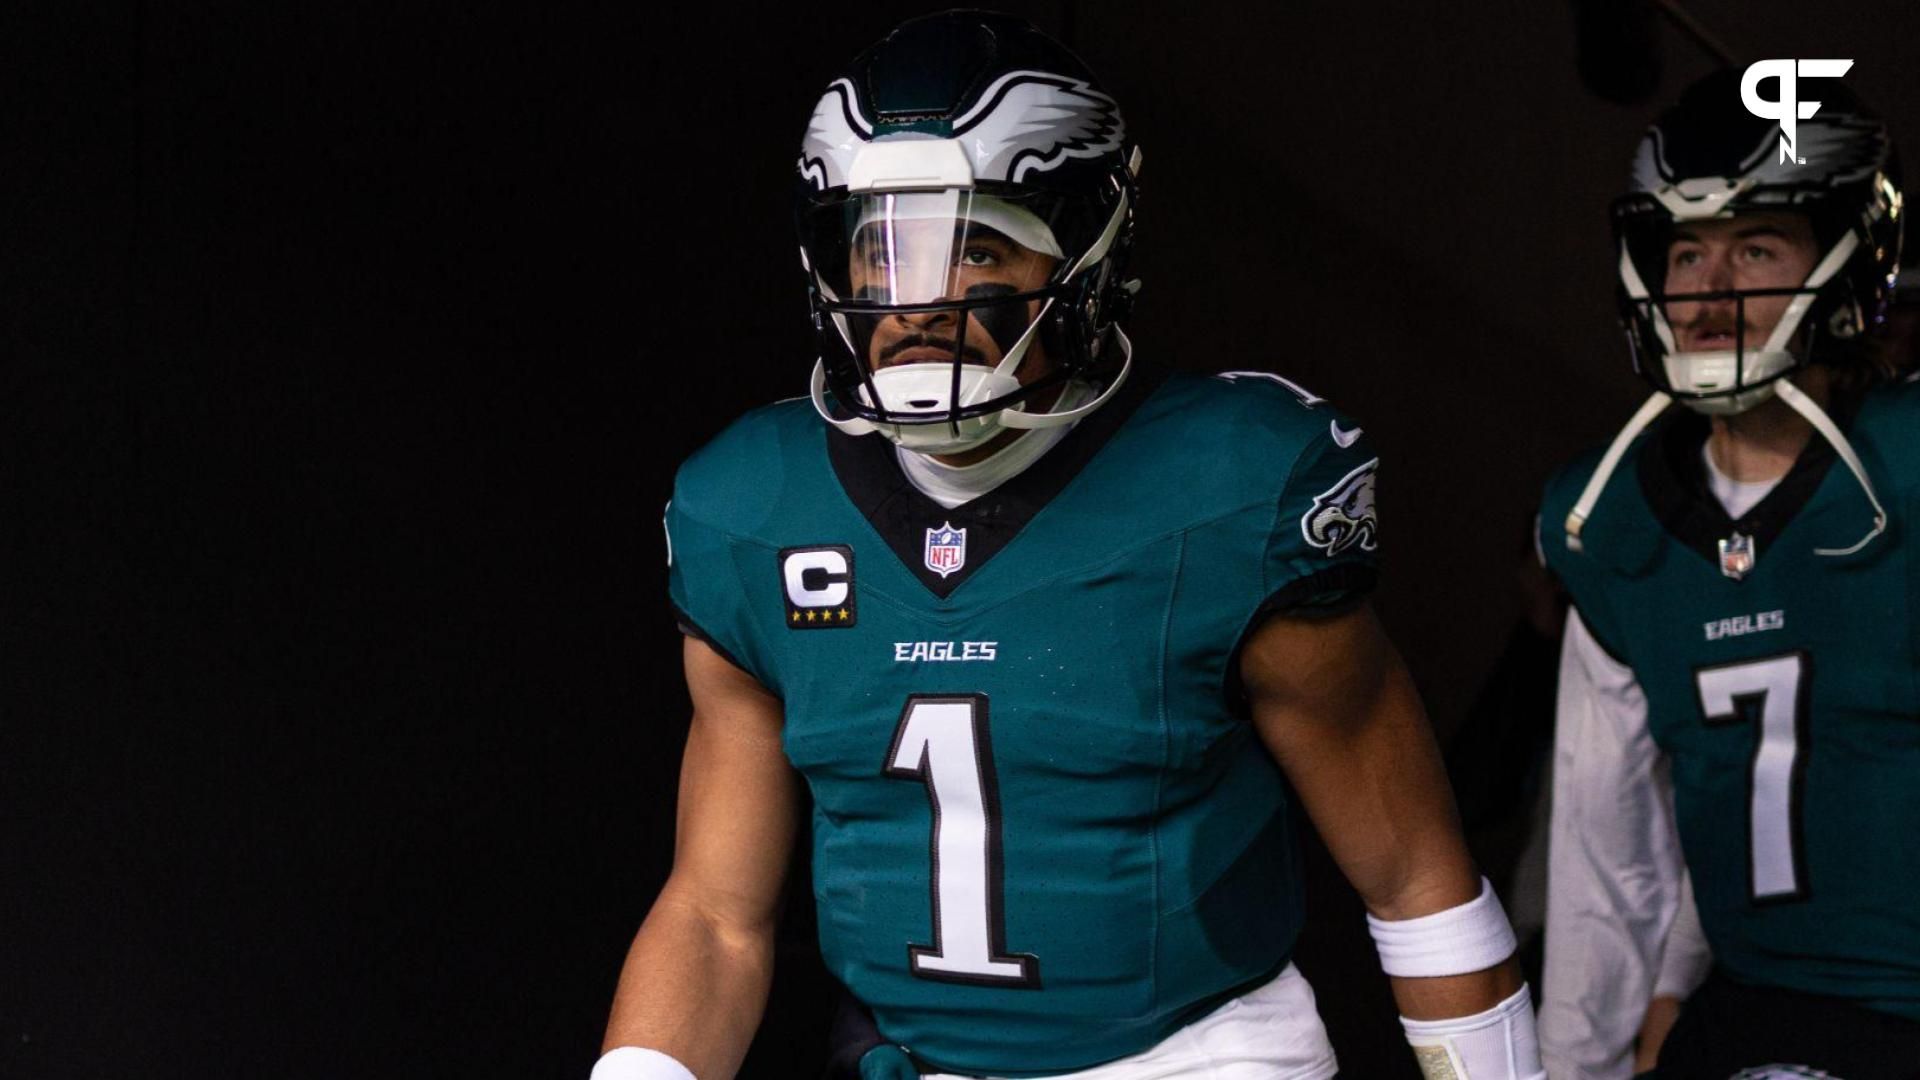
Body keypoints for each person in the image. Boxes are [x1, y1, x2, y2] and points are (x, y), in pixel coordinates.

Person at [595, 13, 1542, 1079]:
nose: (918, 298)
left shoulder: (1222, 490)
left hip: (1198, 1057)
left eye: (976, 246)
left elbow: (1416, 880)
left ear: (1091, 251)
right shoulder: (754, 507)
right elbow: (717, 915)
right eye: (881, 244)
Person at [1538, 68, 1920, 1079]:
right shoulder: (1610, 515)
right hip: (1756, 1008)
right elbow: (1603, 854)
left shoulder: (1910, 469)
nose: (1710, 292)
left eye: (1755, 246)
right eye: (1685, 250)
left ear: (1853, 260)